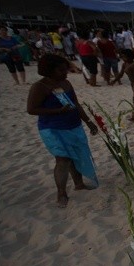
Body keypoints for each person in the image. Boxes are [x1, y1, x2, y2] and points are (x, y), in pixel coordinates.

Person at [27, 54, 99, 208]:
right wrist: (57, 111)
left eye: (65, 69)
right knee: (63, 159)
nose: (65, 73)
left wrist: (88, 121)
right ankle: (61, 193)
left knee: (76, 155)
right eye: (61, 70)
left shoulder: (65, 83)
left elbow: (76, 104)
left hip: (73, 124)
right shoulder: (40, 87)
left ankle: (79, 184)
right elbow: (31, 109)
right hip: (53, 128)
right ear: (49, 70)